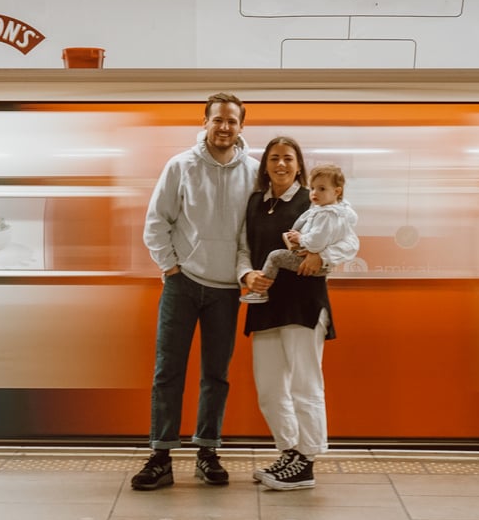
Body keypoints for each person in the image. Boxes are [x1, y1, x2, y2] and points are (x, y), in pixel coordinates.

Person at [131, 92, 260, 491]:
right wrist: (171, 266)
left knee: (215, 376)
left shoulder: (254, 173)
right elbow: (157, 221)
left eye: (232, 121)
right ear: (204, 123)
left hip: (226, 290)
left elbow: (252, 232)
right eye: (217, 120)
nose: (224, 127)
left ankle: (208, 453)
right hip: (182, 284)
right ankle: (161, 456)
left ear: (241, 127)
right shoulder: (181, 166)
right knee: (168, 371)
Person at [239, 139, 357, 490]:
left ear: (298, 165)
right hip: (266, 304)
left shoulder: (316, 197)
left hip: (304, 305)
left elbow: (350, 241)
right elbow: (244, 249)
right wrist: (247, 275)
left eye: (288, 159)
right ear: (265, 166)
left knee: (305, 385)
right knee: (270, 389)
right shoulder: (255, 204)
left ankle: (307, 459)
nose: (280, 164)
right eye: (274, 158)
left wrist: (325, 258)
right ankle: (289, 451)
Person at [239, 163, 358, 304]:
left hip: (308, 282)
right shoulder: (324, 210)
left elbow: (322, 242)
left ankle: (260, 291)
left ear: (337, 192)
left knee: (275, 256)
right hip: (288, 292)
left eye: (322, 189)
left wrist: (307, 243)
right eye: (312, 188)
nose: (314, 193)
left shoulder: (327, 214)